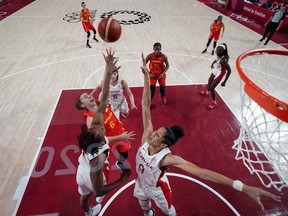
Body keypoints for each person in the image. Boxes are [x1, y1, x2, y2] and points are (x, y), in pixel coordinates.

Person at [134, 53, 281, 216]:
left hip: (157, 190)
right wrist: (147, 78)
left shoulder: (167, 159)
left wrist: (243, 187)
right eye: (156, 131)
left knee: (169, 212)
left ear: (163, 145)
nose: (152, 134)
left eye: (157, 135)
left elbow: (202, 172)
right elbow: (145, 106)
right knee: (145, 208)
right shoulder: (146, 139)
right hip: (140, 183)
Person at [76, 49, 131, 216]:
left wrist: (108, 71)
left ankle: (88, 213)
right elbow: (100, 190)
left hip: (81, 168)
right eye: (101, 131)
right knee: (97, 190)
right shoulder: (98, 157)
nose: (103, 128)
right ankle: (92, 211)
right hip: (88, 173)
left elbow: (105, 96)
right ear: (97, 136)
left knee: (84, 196)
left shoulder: (96, 125)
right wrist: (122, 179)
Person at [75, 89, 135, 170]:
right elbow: (100, 139)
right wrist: (121, 137)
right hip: (109, 141)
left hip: (119, 133)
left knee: (125, 154)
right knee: (104, 163)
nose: (89, 96)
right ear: (83, 105)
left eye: (89, 95)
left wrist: (106, 81)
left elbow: (105, 89)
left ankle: (120, 163)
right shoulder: (91, 120)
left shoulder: (102, 104)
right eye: (86, 97)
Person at [199, 43, 231, 110]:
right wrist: (213, 63)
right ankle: (207, 92)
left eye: (220, 50)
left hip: (220, 72)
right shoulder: (219, 55)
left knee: (212, 88)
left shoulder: (223, 60)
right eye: (217, 49)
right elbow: (216, 59)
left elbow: (229, 71)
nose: (217, 51)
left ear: (223, 51)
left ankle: (214, 102)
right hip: (217, 69)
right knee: (209, 80)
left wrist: (224, 81)